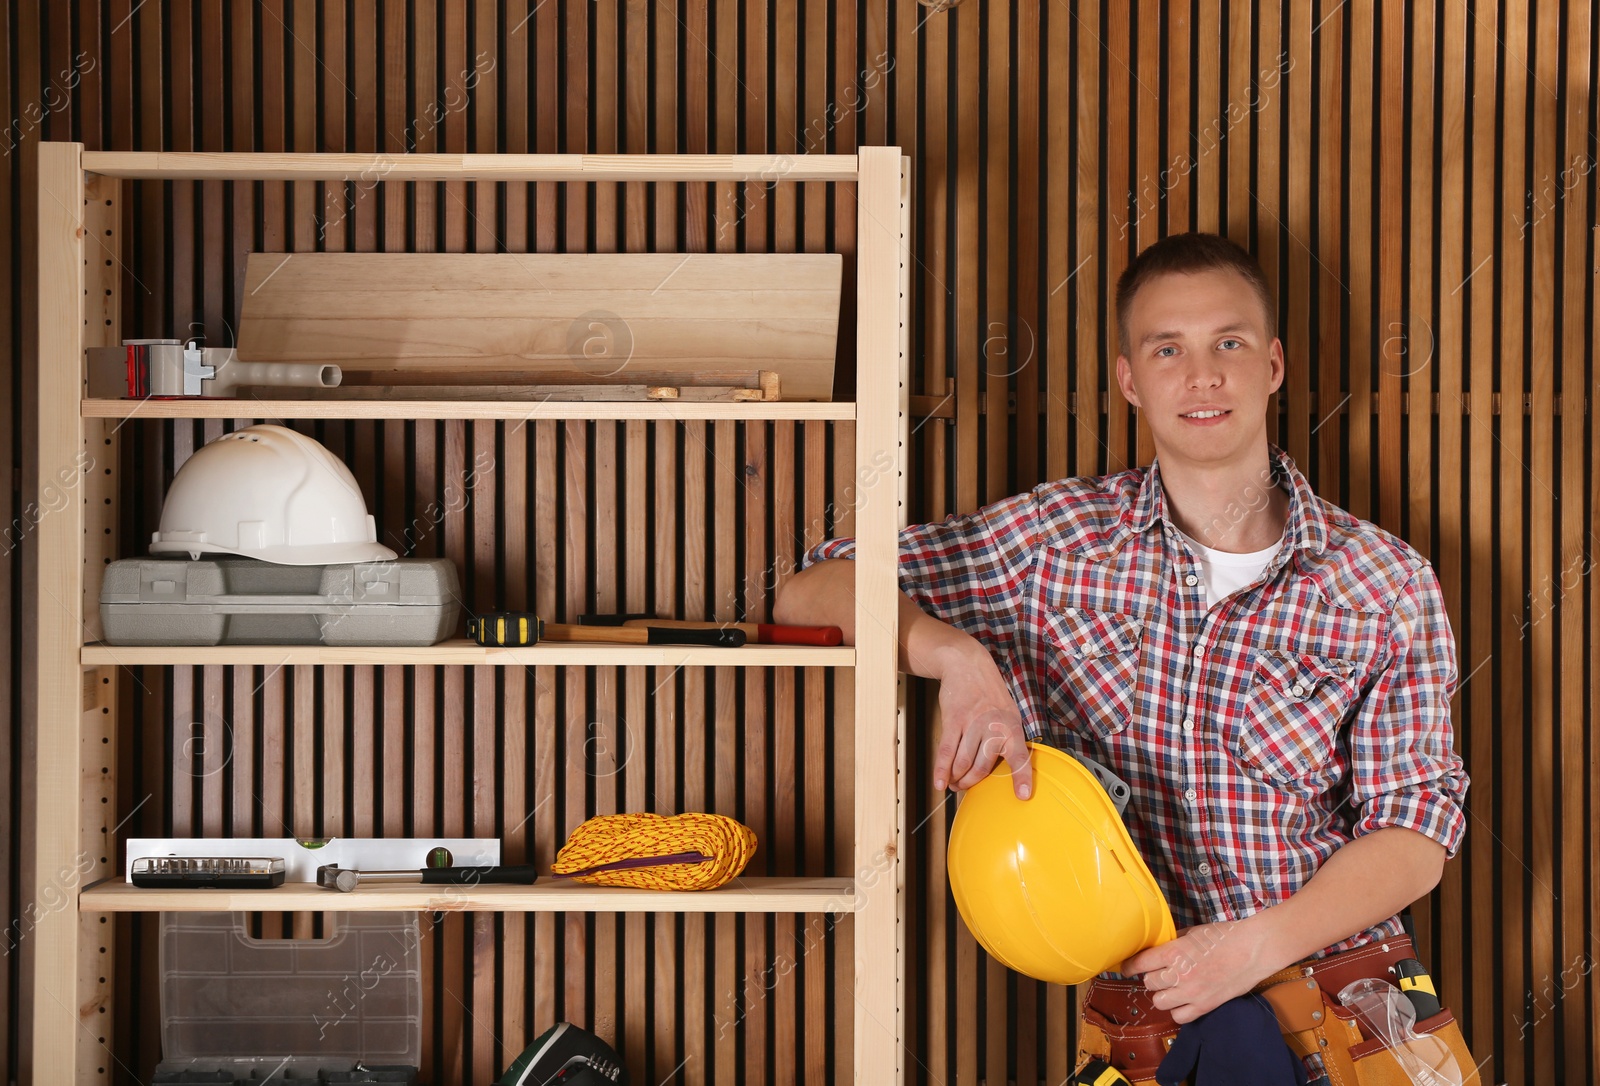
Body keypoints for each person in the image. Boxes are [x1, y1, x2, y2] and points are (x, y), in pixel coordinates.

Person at [773, 232, 1471, 1083]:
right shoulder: (1051, 546)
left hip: (1350, 995)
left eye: (1230, 343)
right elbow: (810, 592)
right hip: (1149, 1010)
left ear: (1274, 364)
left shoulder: (1383, 579)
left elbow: (1416, 829)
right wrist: (952, 655)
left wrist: (1252, 948)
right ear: (1130, 380)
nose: (1202, 374)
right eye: (1167, 348)